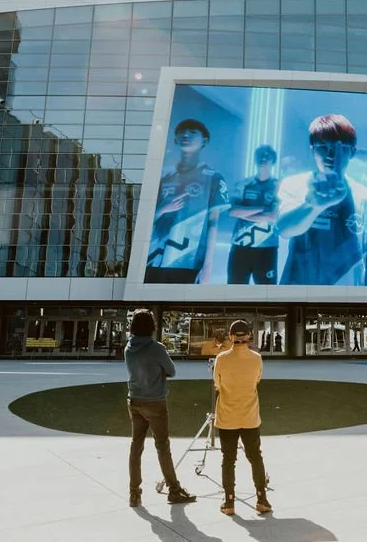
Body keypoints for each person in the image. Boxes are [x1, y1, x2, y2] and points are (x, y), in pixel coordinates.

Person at [276, 114, 367, 285]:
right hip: (301, 295)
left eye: (339, 147)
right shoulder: (295, 184)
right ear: (312, 150)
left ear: (352, 151)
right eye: (323, 146)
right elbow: (284, 229)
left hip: (348, 298)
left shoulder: (365, 196)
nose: (330, 154)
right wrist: (314, 205)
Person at [124, 309, 197, 507]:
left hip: (134, 400)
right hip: (155, 402)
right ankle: (174, 489)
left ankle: (134, 493)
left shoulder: (128, 348)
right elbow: (171, 371)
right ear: (151, 326)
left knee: (136, 446)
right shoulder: (157, 348)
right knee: (162, 446)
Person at [146, 119, 230, 284]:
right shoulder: (161, 175)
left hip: (188, 260)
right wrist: (161, 210)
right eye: (182, 131)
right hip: (153, 257)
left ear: (204, 141)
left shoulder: (213, 177)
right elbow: (144, 218)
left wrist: (208, 267)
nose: (186, 135)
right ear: (175, 139)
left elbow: (213, 223)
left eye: (193, 132)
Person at [213, 319, 271, 515]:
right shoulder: (257, 358)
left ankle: (229, 502)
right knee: (255, 457)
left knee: (228, 459)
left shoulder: (221, 358)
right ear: (248, 336)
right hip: (249, 416)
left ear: (230, 336)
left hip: (227, 416)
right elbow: (257, 380)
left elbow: (217, 385)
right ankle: (262, 499)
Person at [227, 145, 280, 284]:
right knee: (235, 291)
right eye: (260, 155)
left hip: (267, 247)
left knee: (267, 294)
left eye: (267, 155)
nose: (263, 157)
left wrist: (243, 213)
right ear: (255, 159)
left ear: (273, 161)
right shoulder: (243, 184)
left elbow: (272, 216)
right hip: (240, 245)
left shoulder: (279, 185)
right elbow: (232, 211)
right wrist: (263, 207)